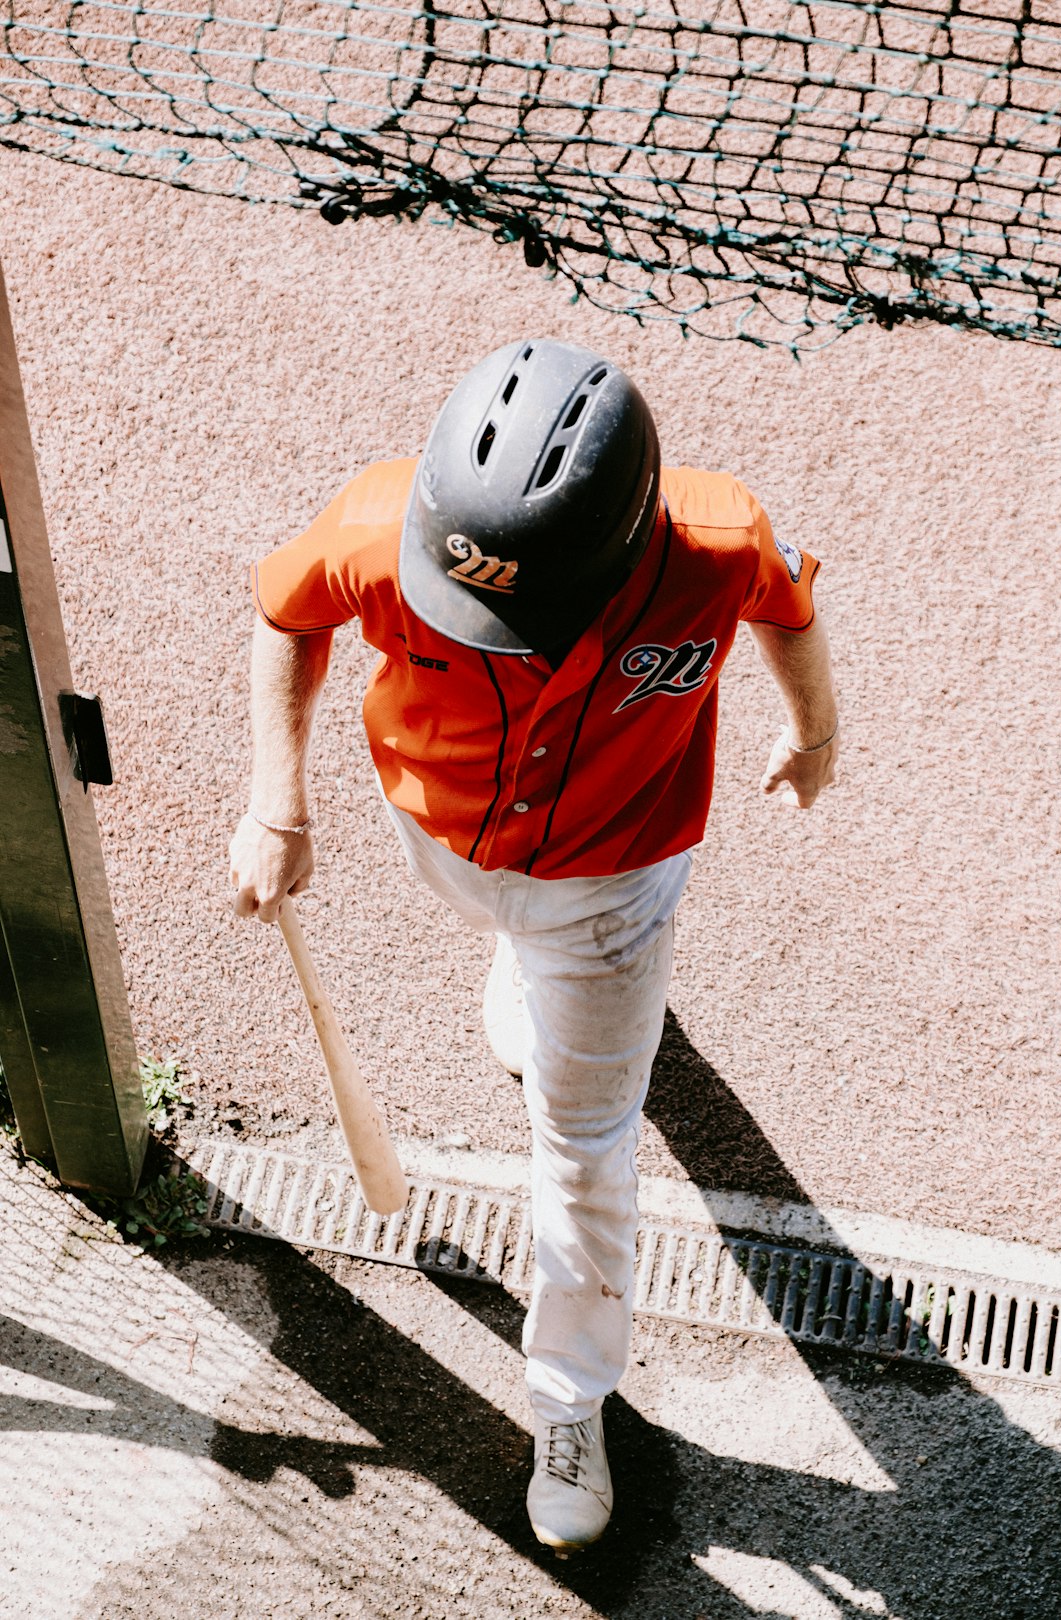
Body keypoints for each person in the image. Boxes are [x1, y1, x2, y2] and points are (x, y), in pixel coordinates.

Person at [228, 337, 839, 1553]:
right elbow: (282, 614)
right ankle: (523, 963)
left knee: (582, 1150)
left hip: (614, 887)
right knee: (501, 925)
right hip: (441, 840)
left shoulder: (716, 542)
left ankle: (570, 1403)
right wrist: (273, 799)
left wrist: (817, 731)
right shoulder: (381, 522)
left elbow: (792, 606)